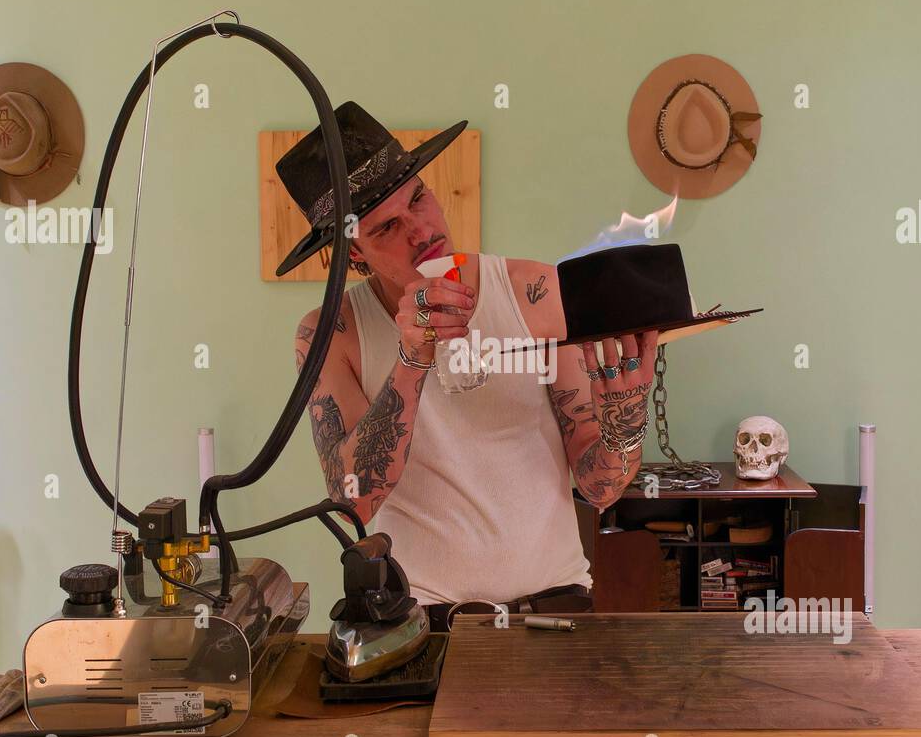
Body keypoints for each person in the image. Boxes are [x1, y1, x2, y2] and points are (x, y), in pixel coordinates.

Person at [278, 103, 656, 630]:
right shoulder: (330, 334)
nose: (420, 229)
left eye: (419, 199)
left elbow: (602, 489)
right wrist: (412, 357)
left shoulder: (536, 293)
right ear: (353, 254)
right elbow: (353, 503)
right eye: (387, 226)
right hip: (416, 624)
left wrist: (624, 425)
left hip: (553, 609)